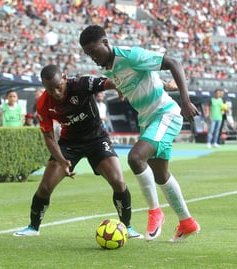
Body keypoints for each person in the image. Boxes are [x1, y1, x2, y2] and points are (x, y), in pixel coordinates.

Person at [80, 25, 200, 242]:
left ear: (106, 43)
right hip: (147, 120)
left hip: (165, 114)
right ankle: (187, 222)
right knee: (161, 175)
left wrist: (185, 100)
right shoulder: (109, 67)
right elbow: (143, 75)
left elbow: (173, 62)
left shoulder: (130, 54)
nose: (93, 58)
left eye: (94, 51)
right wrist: (164, 85)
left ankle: (155, 212)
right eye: (88, 55)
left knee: (136, 158)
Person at [13, 64, 142, 239]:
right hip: (69, 143)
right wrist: (61, 160)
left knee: (118, 182)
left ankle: (127, 227)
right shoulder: (43, 103)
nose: (56, 92)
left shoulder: (81, 84)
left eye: (58, 87)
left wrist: (118, 87)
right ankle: (33, 227)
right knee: (45, 187)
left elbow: (106, 83)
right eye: (50, 89)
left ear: (64, 77)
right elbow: (49, 137)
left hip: (97, 139)